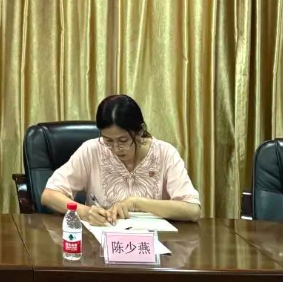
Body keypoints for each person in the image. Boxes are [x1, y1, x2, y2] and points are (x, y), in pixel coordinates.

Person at [41, 94, 201, 224]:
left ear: (139, 131)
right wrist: (85, 212)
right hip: (102, 243)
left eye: (123, 140)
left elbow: (193, 210)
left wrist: (136, 203)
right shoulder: (92, 150)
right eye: (108, 140)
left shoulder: (165, 153)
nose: (116, 148)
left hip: (154, 244)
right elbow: (49, 195)